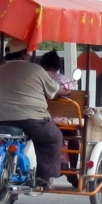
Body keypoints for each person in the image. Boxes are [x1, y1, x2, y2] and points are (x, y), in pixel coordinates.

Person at [0, 38, 70, 188]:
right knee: (53, 137)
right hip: (32, 119)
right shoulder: (36, 70)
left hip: (0, 119)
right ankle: (43, 177)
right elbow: (54, 91)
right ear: (25, 53)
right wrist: (64, 91)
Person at [40, 49, 79, 188]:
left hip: (41, 120)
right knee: (75, 137)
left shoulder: (38, 78)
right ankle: (73, 170)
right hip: (63, 125)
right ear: (59, 66)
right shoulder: (65, 80)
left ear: (42, 65)